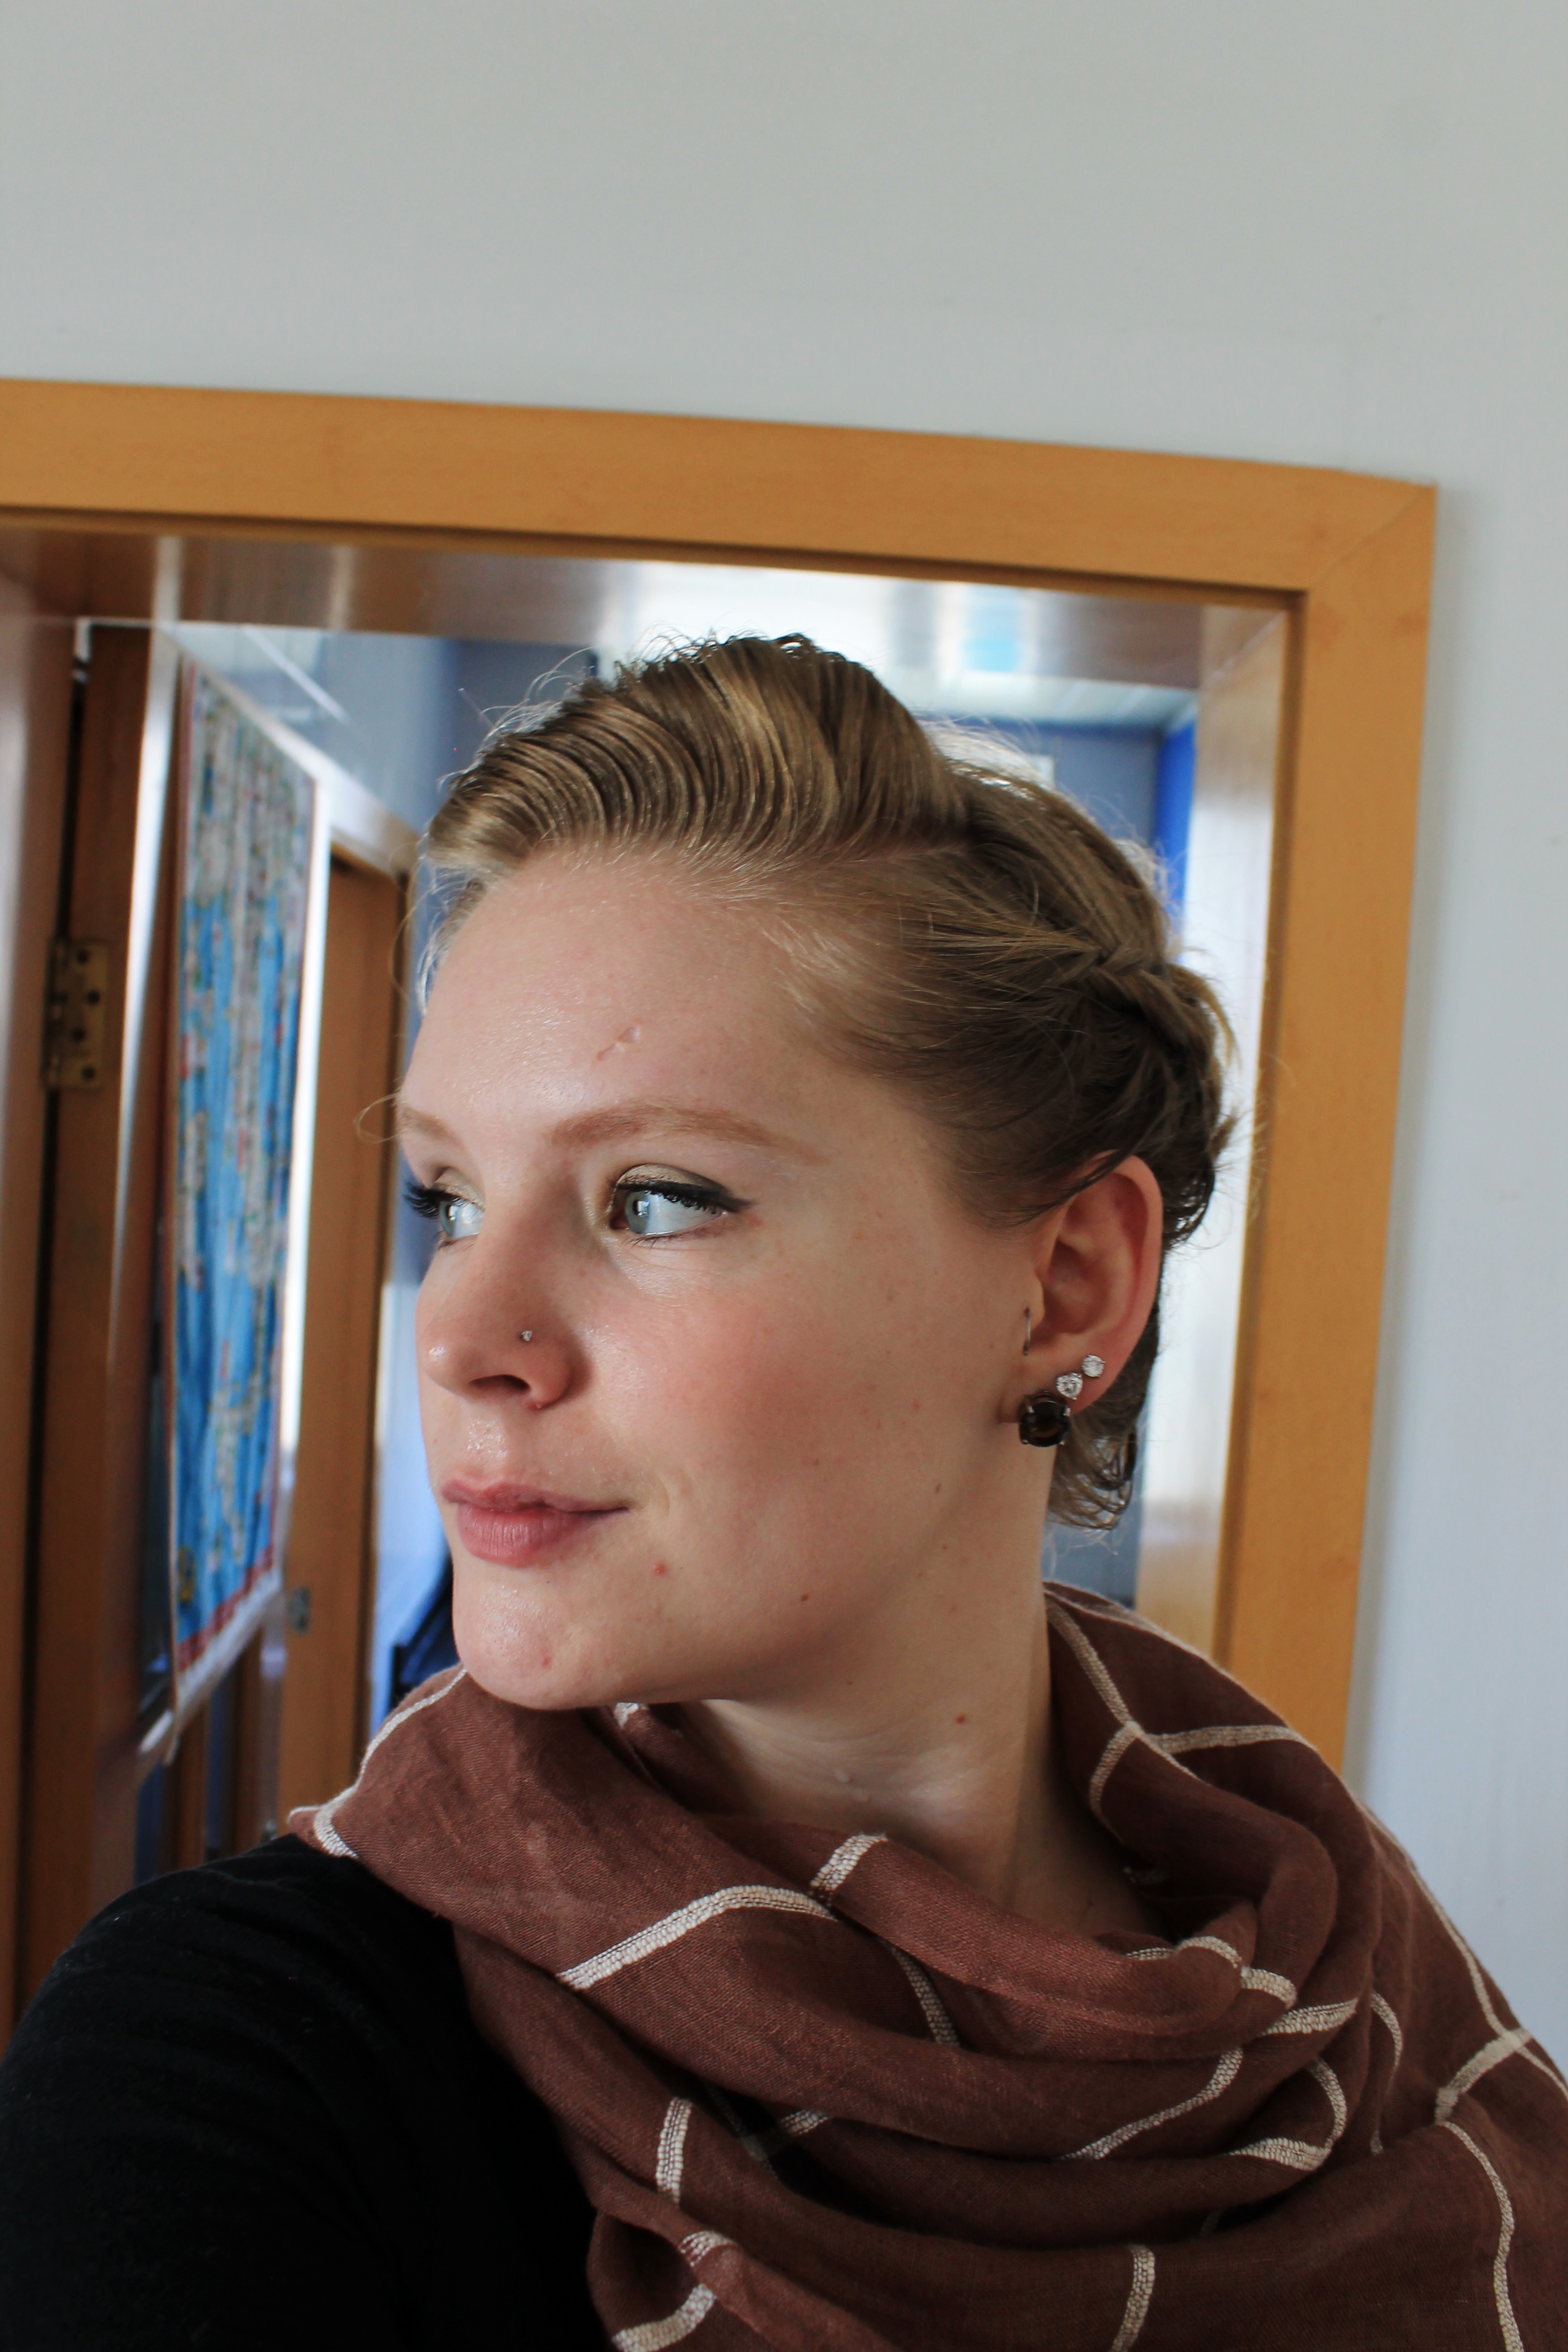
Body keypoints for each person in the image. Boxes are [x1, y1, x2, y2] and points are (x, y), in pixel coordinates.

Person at [2, 635, 1562, 2350]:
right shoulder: (236, 2062)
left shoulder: (1363, 1984)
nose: (456, 1333)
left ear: (1062, 1286)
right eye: (451, 1197)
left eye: (657, 1198)